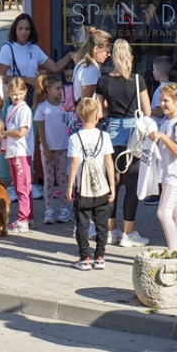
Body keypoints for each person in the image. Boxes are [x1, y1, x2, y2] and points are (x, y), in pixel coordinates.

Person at [96, 39, 151, 246]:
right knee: (132, 183)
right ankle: (129, 233)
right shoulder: (138, 80)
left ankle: (111, 230)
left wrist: (113, 111)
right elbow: (146, 111)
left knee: (113, 183)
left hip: (113, 131)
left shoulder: (103, 81)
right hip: (134, 134)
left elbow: (100, 112)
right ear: (131, 57)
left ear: (112, 57)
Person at [67, 97, 116, 270]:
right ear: (97, 116)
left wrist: (69, 186)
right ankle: (100, 257)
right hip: (101, 188)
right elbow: (109, 162)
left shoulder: (74, 138)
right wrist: (112, 186)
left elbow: (74, 164)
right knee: (102, 224)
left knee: (82, 224)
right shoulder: (105, 136)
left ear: (80, 116)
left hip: (83, 189)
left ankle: (85, 258)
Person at [146, 83, 177, 251]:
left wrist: (162, 137)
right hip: (168, 173)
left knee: (163, 213)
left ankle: (173, 252)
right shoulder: (169, 120)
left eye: (166, 101)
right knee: (175, 214)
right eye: (160, 100)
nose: (162, 104)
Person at [0, 13, 72, 102]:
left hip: (33, 95)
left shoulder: (34, 48)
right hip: (15, 96)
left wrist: (70, 56)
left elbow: (55, 67)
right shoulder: (7, 48)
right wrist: (25, 79)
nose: (24, 32)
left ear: (31, 30)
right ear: (15, 30)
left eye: (27, 29)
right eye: (20, 29)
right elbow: (0, 77)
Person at [34, 75, 72, 224]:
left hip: (63, 147)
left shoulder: (65, 106)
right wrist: (46, 149)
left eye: (61, 88)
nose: (60, 91)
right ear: (48, 90)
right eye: (57, 88)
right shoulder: (42, 108)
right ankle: (49, 209)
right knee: (49, 179)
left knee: (62, 178)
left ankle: (64, 208)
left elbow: (70, 125)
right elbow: (41, 132)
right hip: (48, 149)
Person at [2, 77, 34, 233]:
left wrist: (3, 133)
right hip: (12, 151)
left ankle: (23, 220)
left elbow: (21, 132)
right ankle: (29, 217)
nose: (17, 97)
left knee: (22, 186)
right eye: (14, 94)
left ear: (25, 92)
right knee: (20, 185)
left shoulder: (24, 109)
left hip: (21, 151)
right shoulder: (9, 109)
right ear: (9, 93)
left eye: (20, 93)